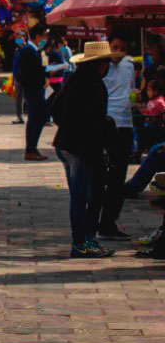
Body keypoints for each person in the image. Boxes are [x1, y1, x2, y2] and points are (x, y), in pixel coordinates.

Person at [50, 40, 118, 258]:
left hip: (66, 145)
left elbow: (55, 110)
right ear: (100, 64)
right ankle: (81, 243)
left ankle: (86, 240)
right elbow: (95, 122)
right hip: (82, 148)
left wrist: (70, 128)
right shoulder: (95, 85)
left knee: (81, 196)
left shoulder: (74, 79)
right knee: (84, 197)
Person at [97, 32, 137, 240]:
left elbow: (131, 89)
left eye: (122, 48)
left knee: (118, 177)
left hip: (125, 123)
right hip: (106, 123)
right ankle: (95, 220)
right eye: (115, 47)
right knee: (102, 175)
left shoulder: (129, 65)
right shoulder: (101, 67)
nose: (118, 52)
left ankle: (109, 222)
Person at [14, 23, 52, 161]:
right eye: (43, 36)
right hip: (33, 89)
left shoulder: (38, 51)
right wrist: (41, 81)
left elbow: (42, 68)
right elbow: (28, 73)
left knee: (41, 117)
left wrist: (45, 78)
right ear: (37, 36)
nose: (44, 39)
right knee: (35, 118)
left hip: (40, 89)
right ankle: (30, 149)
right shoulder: (27, 51)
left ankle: (33, 147)